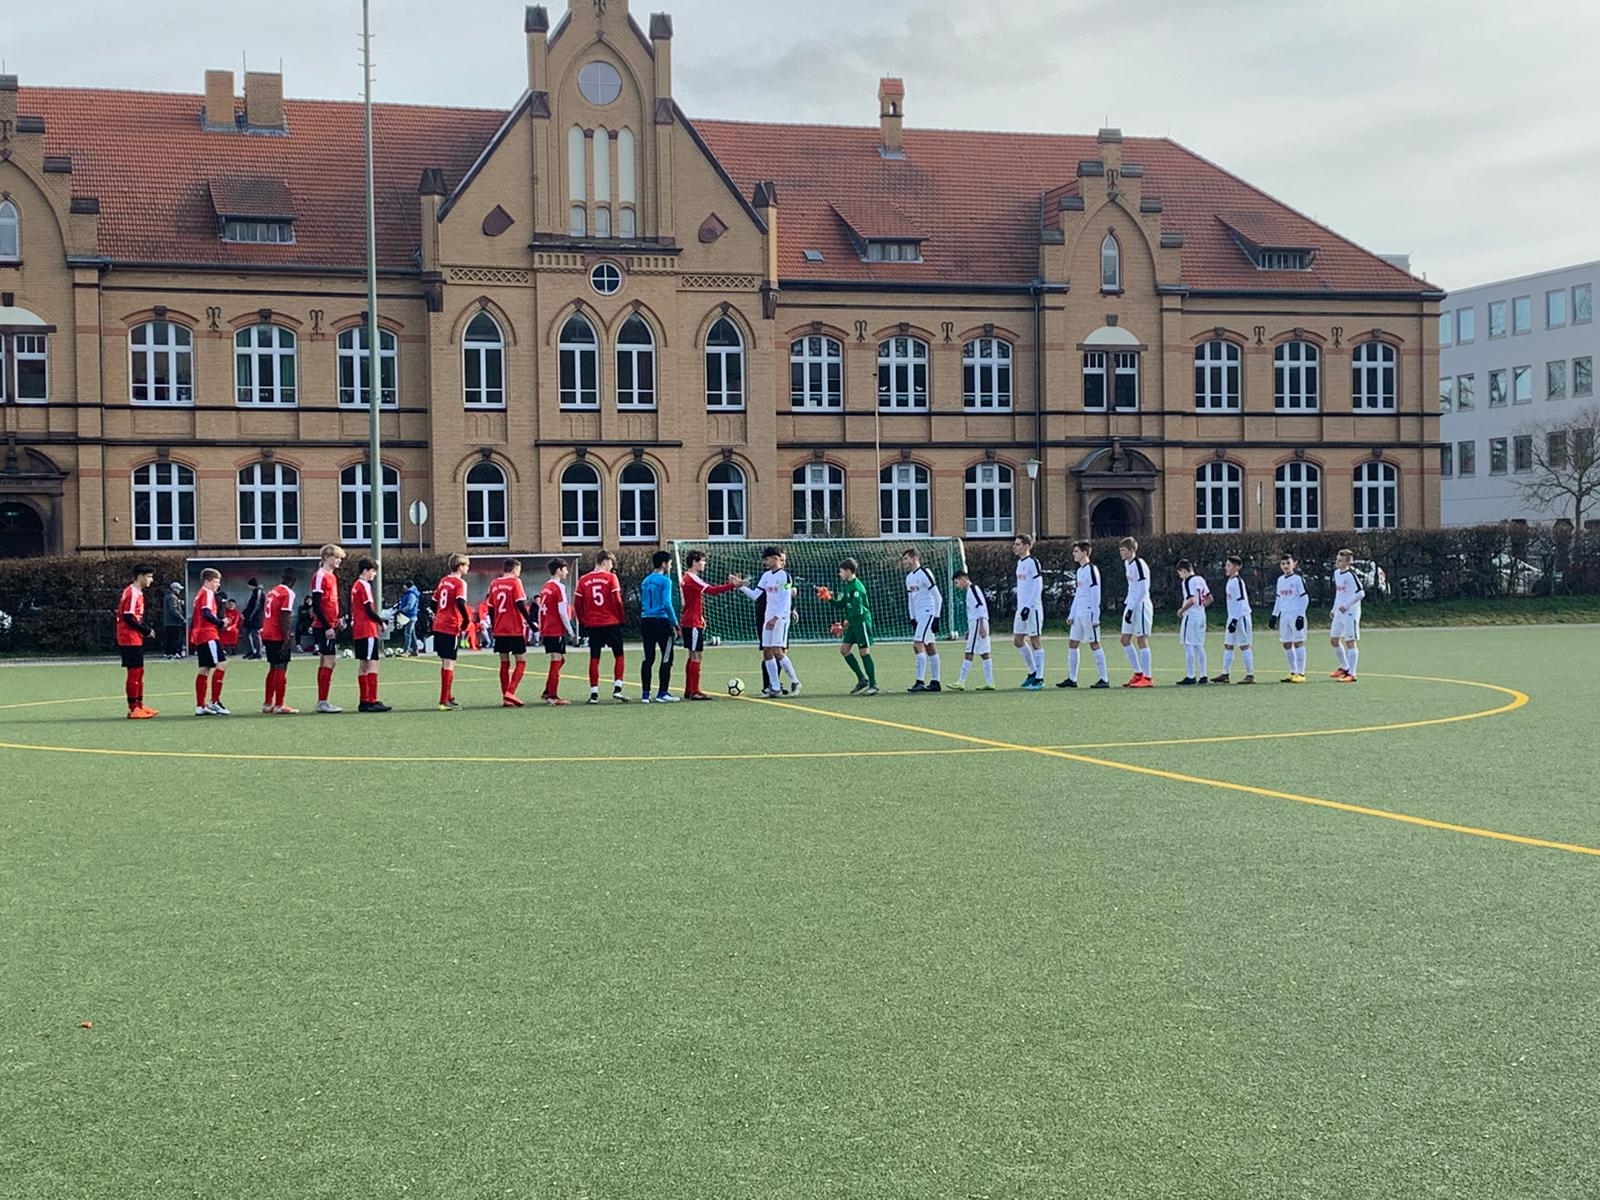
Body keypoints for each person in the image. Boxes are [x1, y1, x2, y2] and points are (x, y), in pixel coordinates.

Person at [739, 546, 801, 698]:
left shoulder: (785, 576)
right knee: (767, 651)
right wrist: (740, 586)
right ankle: (774, 686)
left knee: (777, 651)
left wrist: (775, 618)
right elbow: (756, 595)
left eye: (767, 559)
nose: (765, 562)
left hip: (781, 618)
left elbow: (785, 600)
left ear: (775, 558)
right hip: (768, 617)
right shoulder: (766, 576)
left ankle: (795, 681)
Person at [679, 549, 739, 700]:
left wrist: (701, 616)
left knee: (693, 654)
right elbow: (711, 591)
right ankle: (695, 691)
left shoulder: (687, 577)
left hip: (692, 619)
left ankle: (689, 689)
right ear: (695, 562)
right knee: (696, 654)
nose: (704, 563)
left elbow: (692, 601)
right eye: (703, 561)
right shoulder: (692, 578)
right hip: (692, 622)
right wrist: (732, 585)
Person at [575, 550, 629, 704]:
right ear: (605, 562)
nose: (611, 567)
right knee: (619, 655)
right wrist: (621, 618)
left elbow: (577, 604)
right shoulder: (611, 578)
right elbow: (617, 599)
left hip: (593, 623)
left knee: (594, 657)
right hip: (611, 622)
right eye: (611, 563)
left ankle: (594, 693)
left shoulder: (583, 580)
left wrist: (582, 620)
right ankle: (618, 688)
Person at [819, 557, 878, 695]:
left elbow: (858, 610)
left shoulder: (857, 587)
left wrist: (845, 622)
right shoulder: (847, 586)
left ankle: (873, 684)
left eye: (841, 571)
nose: (839, 574)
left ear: (848, 571)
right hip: (853, 622)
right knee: (844, 650)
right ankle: (862, 679)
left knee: (864, 652)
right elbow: (842, 604)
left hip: (861, 622)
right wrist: (829, 598)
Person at [1058, 541, 1110, 689]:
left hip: (1088, 612)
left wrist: (1095, 615)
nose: (1073, 554)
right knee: (1073, 643)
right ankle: (1072, 678)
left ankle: (1104, 679)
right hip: (1079, 613)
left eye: (1076, 551)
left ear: (1085, 553)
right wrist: (1072, 613)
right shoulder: (1079, 571)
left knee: (1094, 644)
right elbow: (1078, 593)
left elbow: (1095, 592)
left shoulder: (1091, 570)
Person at [115, 563, 158, 718]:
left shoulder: (137, 592)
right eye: (149, 576)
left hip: (134, 637)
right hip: (128, 637)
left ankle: (139, 705)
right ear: (140, 576)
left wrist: (144, 630)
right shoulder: (132, 592)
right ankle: (133, 708)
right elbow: (128, 617)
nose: (151, 580)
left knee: (139, 671)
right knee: (134, 671)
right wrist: (145, 630)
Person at [487, 559, 532, 707]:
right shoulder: (515, 582)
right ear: (514, 569)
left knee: (504, 663)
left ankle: (505, 698)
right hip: (514, 628)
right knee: (521, 661)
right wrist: (531, 623)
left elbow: (490, 608)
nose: (519, 573)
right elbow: (520, 604)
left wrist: (494, 626)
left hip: (499, 629)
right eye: (519, 570)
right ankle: (510, 692)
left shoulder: (494, 584)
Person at [350, 558, 391, 713]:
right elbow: (368, 609)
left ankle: (365, 699)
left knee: (364, 663)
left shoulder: (355, 585)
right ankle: (370, 700)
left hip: (359, 629)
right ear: (365, 571)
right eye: (373, 571)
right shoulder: (364, 585)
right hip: (367, 629)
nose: (374, 574)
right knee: (371, 663)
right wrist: (381, 622)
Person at [310, 543, 347, 714]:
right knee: (329, 660)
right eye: (336, 557)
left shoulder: (332, 576)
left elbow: (331, 602)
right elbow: (317, 604)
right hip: (324, 626)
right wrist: (326, 626)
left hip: (331, 624)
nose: (339, 561)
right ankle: (323, 701)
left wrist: (338, 618)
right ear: (326, 557)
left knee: (327, 660)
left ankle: (323, 700)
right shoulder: (320, 575)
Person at [638, 551, 680, 702]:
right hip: (661, 621)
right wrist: (674, 622)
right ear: (664, 564)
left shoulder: (645, 581)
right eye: (670, 563)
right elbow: (666, 603)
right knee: (667, 657)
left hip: (646, 620)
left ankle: (645, 694)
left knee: (648, 657)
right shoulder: (665, 581)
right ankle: (662, 693)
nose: (670, 566)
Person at [433, 553, 473, 709]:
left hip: (439, 623)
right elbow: (460, 602)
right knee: (449, 661)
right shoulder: (460, 582)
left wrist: (440, 614)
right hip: (451, 624)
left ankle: (448, 695)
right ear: (460, 566)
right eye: (467, 565)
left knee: (445, 661)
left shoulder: (444, 581)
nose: (468, 568)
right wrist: (466, 620)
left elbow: (433, 602)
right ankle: (444, 700)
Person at [903, 547, 943, 693]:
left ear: (914, 558)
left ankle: (920, 681)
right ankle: (935, 682)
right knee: (930, 646)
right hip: (919, 616)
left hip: (928, 612)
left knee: (917, 644)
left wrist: (936, 617)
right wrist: (912, 618)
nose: (904, 562)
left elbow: (938, 596)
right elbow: (911, 600)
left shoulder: (925, 573)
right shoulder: (909, 578)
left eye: (906, 558)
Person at [190, 567, 230, 716]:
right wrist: (220, 623)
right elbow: (206, 614)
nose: (217, 585)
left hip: (200, 634)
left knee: (205, 668)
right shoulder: (207, 593)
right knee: (222, 663)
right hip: (208, 634)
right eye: (215, 581)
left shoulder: (200, 593)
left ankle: (200, 705)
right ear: (207, 581)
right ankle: (215, 701)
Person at [260, 567, 300, 715]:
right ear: (293, 580)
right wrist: (286, 637)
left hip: (267, 631)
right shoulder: (287, 593)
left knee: (273, 667)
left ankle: (267, 703)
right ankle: (279, 705)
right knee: (281, 666)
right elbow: (284, 616)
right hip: (277, 633)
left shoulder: (272, 591)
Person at [536, 558, 575, 706]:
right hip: (555, 629)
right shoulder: (559, 588)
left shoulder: (545, 586)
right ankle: (552, 696)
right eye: (565, 569)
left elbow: (540, 610)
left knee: (560, 659)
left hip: (547, 628)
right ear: (559, 570)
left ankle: (548, 690)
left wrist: (541, 627)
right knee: (556, 659)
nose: (567, 572)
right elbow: (562, 612)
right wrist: (570, 630)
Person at [1119, 536, 1155, 688]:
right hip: (1131, 604)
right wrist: (1128, 605)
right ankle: (1138, 673)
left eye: (1123, 550)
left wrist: (1132, 607)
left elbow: (1143, 589)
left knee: (1141, 639)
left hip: (1141, 605)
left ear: (1132, 550)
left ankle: (1148, 677)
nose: (1121, 553)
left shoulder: (1139, 564)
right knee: (1124, 639)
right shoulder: (1127, 564)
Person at [1214, 555, 1256, 685]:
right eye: (1226, 565)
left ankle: (1250, 674)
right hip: (1232, 617)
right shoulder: (1230, 581)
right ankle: (1225, 673)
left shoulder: (1237, 581)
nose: (1226, 568)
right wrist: (1231, 619)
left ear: (1237, 567)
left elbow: (1241, 602)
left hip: (1240, 617)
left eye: (1229, 565)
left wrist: (1235, 620)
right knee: (1228, 645)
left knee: (1244, 645)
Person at [950, 569, 993, 692]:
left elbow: (980, 607)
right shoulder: (972, 590)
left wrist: (981, 626)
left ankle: (961, 681)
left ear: (963, 579)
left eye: (957, 583)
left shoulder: (973, 589)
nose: (957, 586)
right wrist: (970, 630)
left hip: (978, 623)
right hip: (977, 623)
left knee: (969, 651)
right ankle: (990, 682)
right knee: (984, 652)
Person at [1012, 534, 1045, 690]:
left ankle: (1040, 678)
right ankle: (1032, 672)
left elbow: (1038, 585)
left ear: (1026, 546)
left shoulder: (1033, 562)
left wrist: (1029, 606)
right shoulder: (1019, 563)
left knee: (1035, 640)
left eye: (1018, 544)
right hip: (1021, 608)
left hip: (1033, 608)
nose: (1015, 547)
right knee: (1018, 640)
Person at [1270, 552, 1309, 684]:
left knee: (1298, 642)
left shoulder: (1297, 579)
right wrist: (1275, 615)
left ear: (1294, 564)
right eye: (1283, 563)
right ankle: (1293, 671)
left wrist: (1300, 615)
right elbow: (1279, 598)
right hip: (1284, 615)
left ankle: (1301, 673)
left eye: (1288, 563)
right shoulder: (1280, 580)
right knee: (1286, 643)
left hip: (1295, 614)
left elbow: (1304, 597)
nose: (1285, 566)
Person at [1329, 549, 1365, 683]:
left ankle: (1352, 673)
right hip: (1339, 612)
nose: (1337, 562)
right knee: (1334, 640)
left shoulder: (1351, 575)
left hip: (1350, 612)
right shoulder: (1336, 573)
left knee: (1350, 641)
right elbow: (1339, 594)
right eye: (1337, 559)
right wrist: (1334, 608)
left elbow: (1361, 593)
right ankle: (1344, 667)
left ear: (1347, 562)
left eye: (1340, 560)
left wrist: (1347, 605)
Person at [1174, 559, 1211, 685]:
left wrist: (1181, 610)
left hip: (1191, 616)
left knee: (1188, 644)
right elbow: (1209, 598)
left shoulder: (1187, 581)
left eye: (1180, 573)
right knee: (1199, 645)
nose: (1180, 576)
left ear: (1184, 571)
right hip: (1201, 615)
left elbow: (1191, 600)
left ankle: (1191, 675)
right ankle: (1203, 675)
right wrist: (1201, 607)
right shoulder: (1200, 579)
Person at [240, 577, 265, 660]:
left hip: (256, 617)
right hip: (250, 616)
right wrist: (245, 612)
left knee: (255, 634)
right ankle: (250, 651)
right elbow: (250, 605)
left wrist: (251, 615)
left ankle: (258, 652)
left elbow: (257, 606)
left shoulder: (259, 593)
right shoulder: (254, 593)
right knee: (246, 633)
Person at [396, 579, 422, 656]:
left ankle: (406, 651)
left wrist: (402, 610)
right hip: (410, 616)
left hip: (410, 616)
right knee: (412, 634)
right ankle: (415, 650)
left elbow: (410, 606)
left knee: (407, 633)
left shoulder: (411, 594)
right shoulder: (410, 593)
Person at [162, 580, 186, 659]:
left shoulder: (168, 597)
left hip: (168, 622)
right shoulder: (173, 597)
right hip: (174, 622)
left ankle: (168, 653)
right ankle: (174, 653)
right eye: (178, 589)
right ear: (174, 589)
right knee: (175, 638)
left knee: (169, 638)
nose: (179, 591)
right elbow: (173, 609)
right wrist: (182, 618)